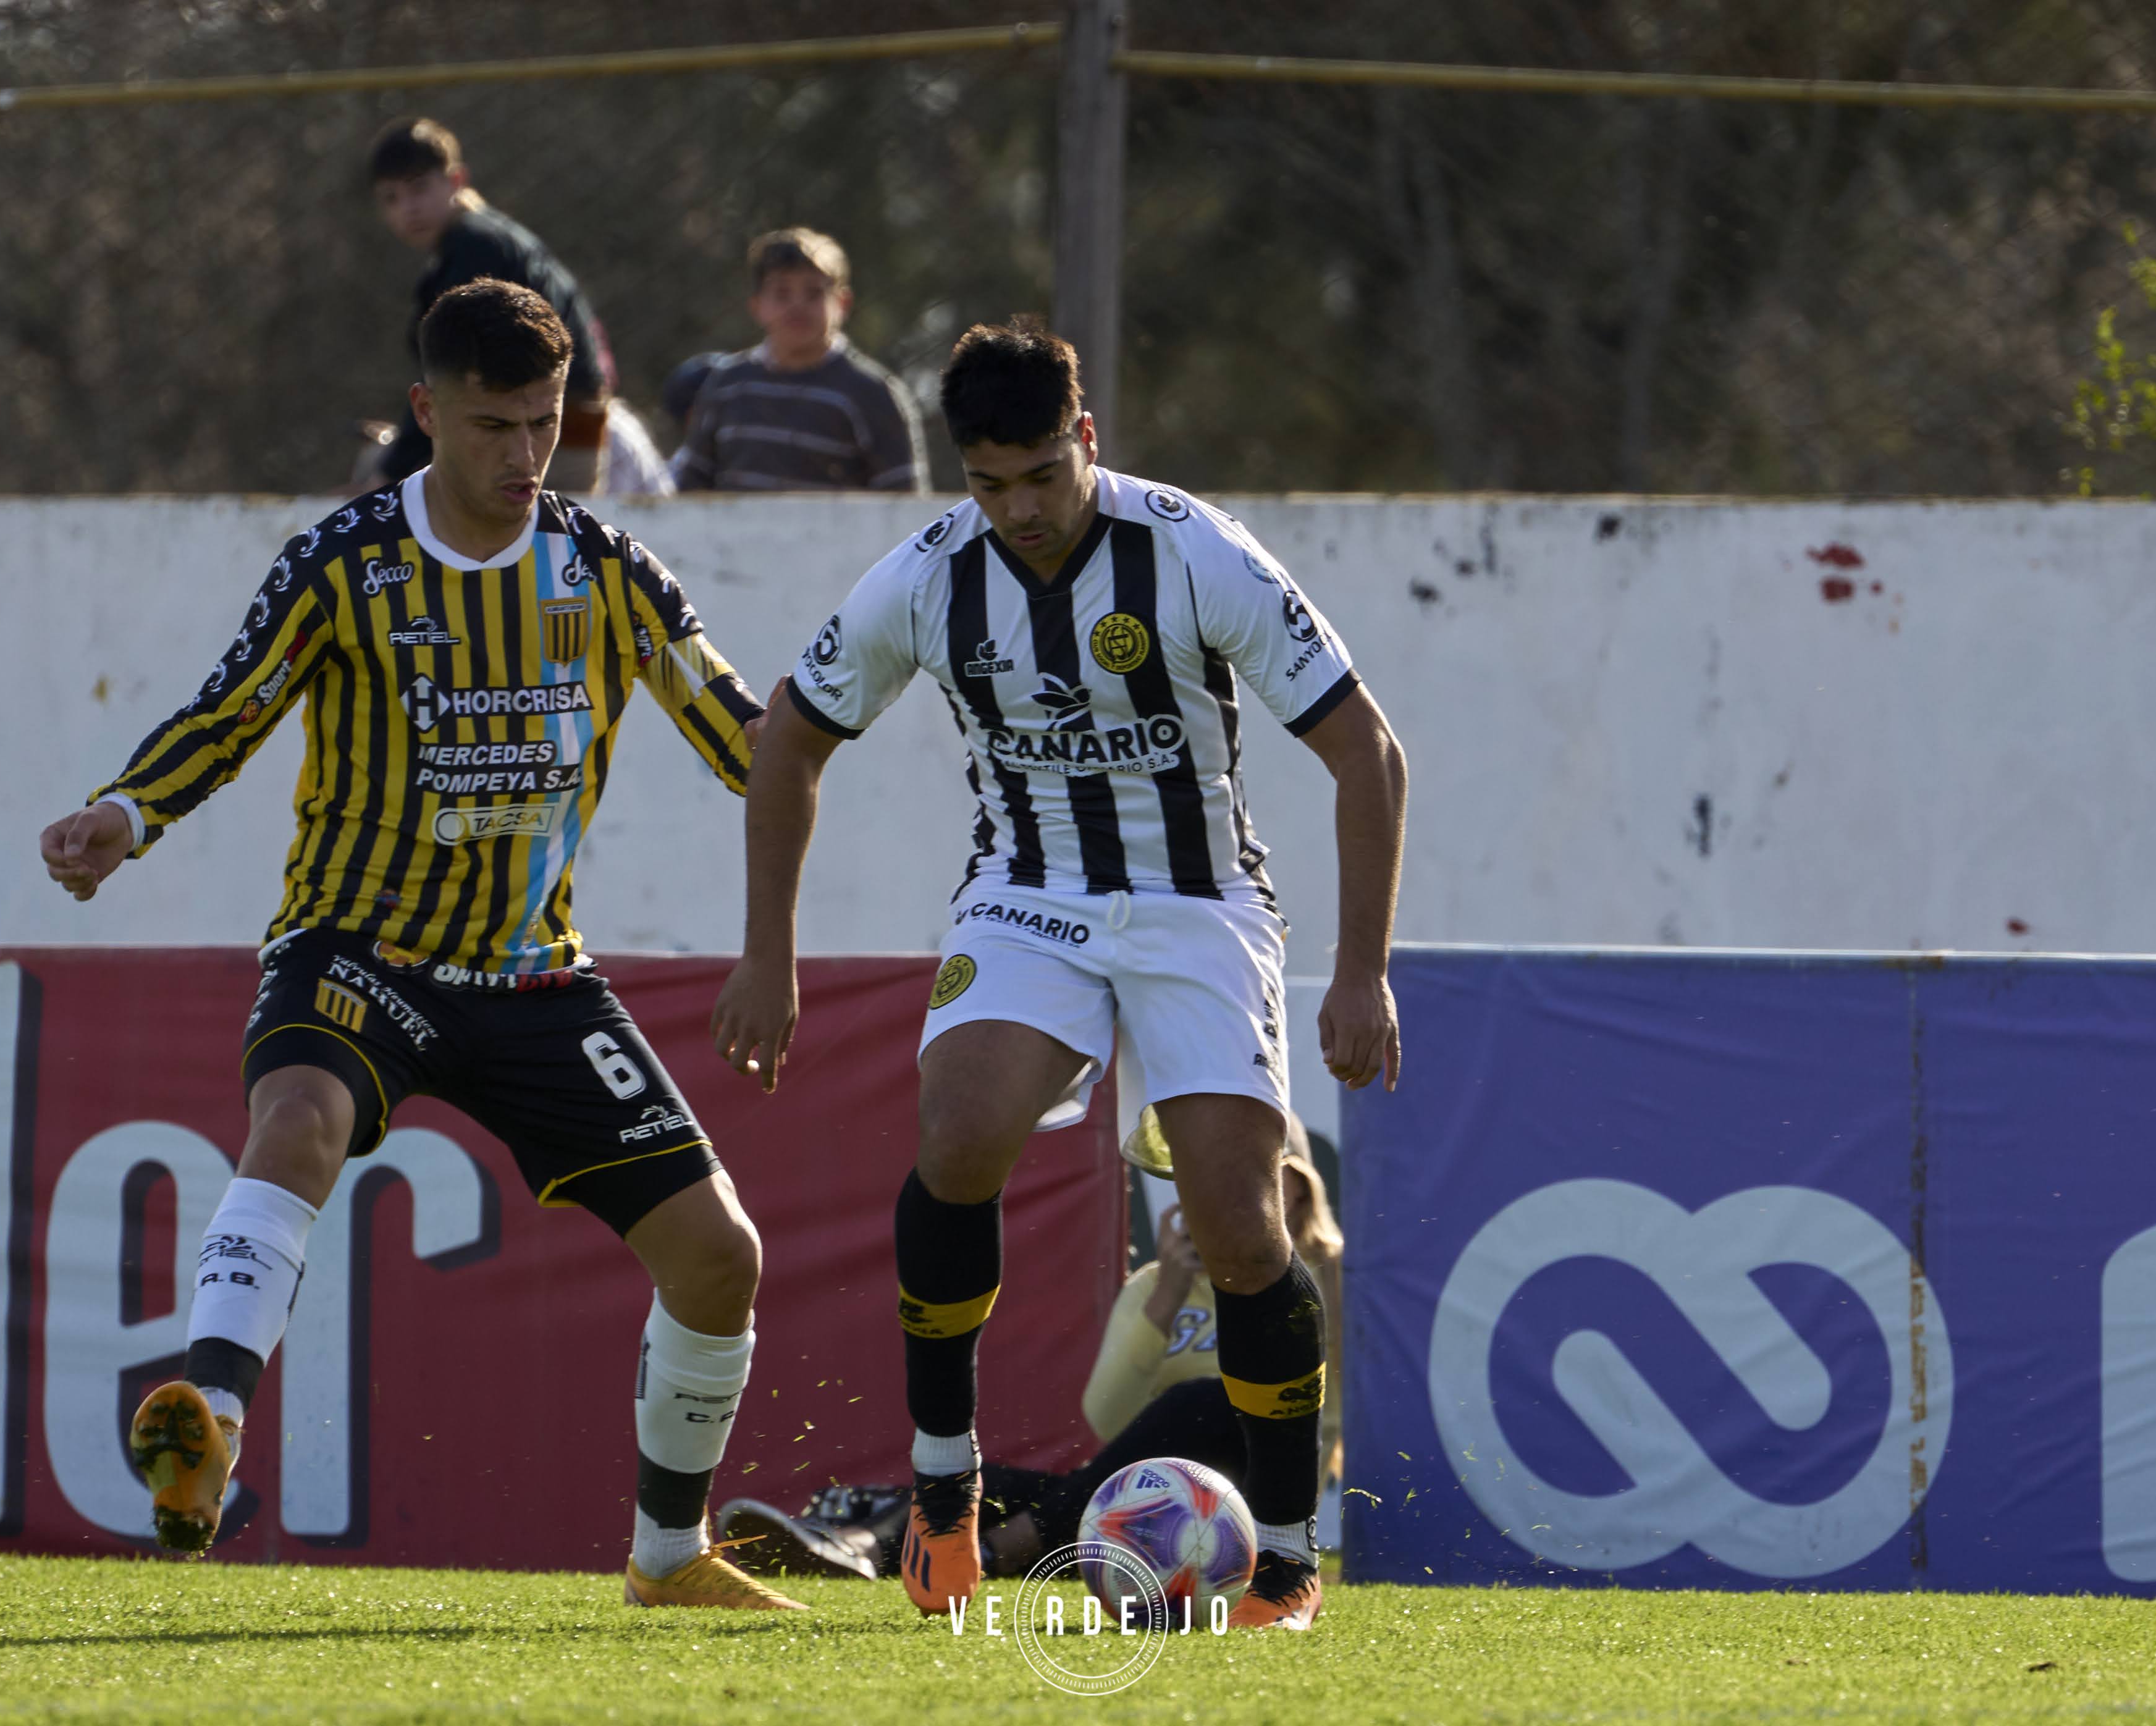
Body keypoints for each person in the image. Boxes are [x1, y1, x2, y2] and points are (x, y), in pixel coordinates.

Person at [36, 280, 799, 1612]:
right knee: (297, 1120)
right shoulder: (344, 561)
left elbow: (753, 748)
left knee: (720, 1254)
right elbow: (229, 710)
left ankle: (668, 1555)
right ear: (426, 411)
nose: (524, 454)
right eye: (494, 424)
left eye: (545, 424)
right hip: (357, 949)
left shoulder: (609, 573)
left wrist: (824, 721)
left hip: (532, 972)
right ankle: (211, 1419)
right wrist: (125, 813)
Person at [709, 318, 1408, 1631]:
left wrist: (1360, 970)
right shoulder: (928, 576)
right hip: (1028, 894)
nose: (1020, 510)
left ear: (1085, 439)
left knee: (1239, 1227)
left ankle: (1285, 1561)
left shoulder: (1190, 551)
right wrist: (767, 951)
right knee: (959, 1131)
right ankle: (942, 1487)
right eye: (990, 485)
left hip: (1198, 904)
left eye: (1042, 474)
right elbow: (787, 738)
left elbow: (1364, 750)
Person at [714, 1135, 1345, 1582]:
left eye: (1284, 1195)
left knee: (1207, 1400)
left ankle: (995, 1549)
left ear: (1305, 1203)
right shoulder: (1157, 1287)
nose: (1254, 1208)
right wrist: (1169, 1297)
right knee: (1000, 1484)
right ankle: (858, 1547)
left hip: (1253, 1504)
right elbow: (1106, 1418)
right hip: (1143, 1499)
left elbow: (1327, 1416)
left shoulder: (1317, 1289)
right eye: (1239, 1189)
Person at [369, 116, 616, 494]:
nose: (408, 208)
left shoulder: (477, 248)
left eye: (419, 188)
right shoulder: (468, 245)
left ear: (456, 180)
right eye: (392, 198)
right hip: (531, 422)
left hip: (546, 431)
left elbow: (450, 379)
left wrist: (391, 473)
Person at [669, 229, 929, 494]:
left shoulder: (873, 394)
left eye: (814, 293)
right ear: (757, 306)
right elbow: (692, 485)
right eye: (782, 293)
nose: (797, 306)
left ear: (843, 303)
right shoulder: (727, 384)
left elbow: (904, 502)